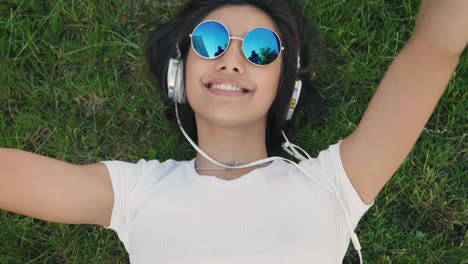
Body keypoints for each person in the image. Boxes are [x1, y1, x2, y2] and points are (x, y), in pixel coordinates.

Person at [1, 0, 466, 263]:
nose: (231, 59)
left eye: (262, 50)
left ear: (286, 88)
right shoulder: (133, 192)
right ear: (178, 74)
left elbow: (436, 46)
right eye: (211, 41)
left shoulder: (335, 184)